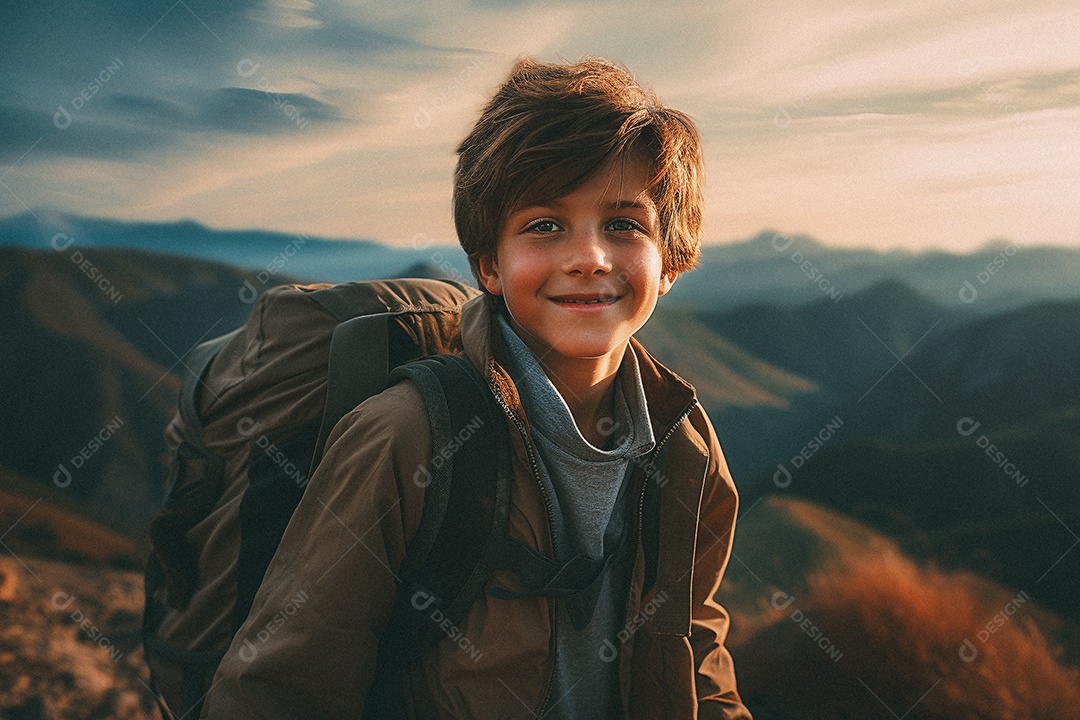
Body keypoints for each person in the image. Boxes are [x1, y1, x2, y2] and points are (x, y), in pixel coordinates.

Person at [202, 55, 750, 719]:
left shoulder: (685, 446)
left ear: (673, 262)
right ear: (490, 263)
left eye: (623, 225)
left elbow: (695, 658)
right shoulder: (407, 436)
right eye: (544, 225)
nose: (588, 257)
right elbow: (284, 688)